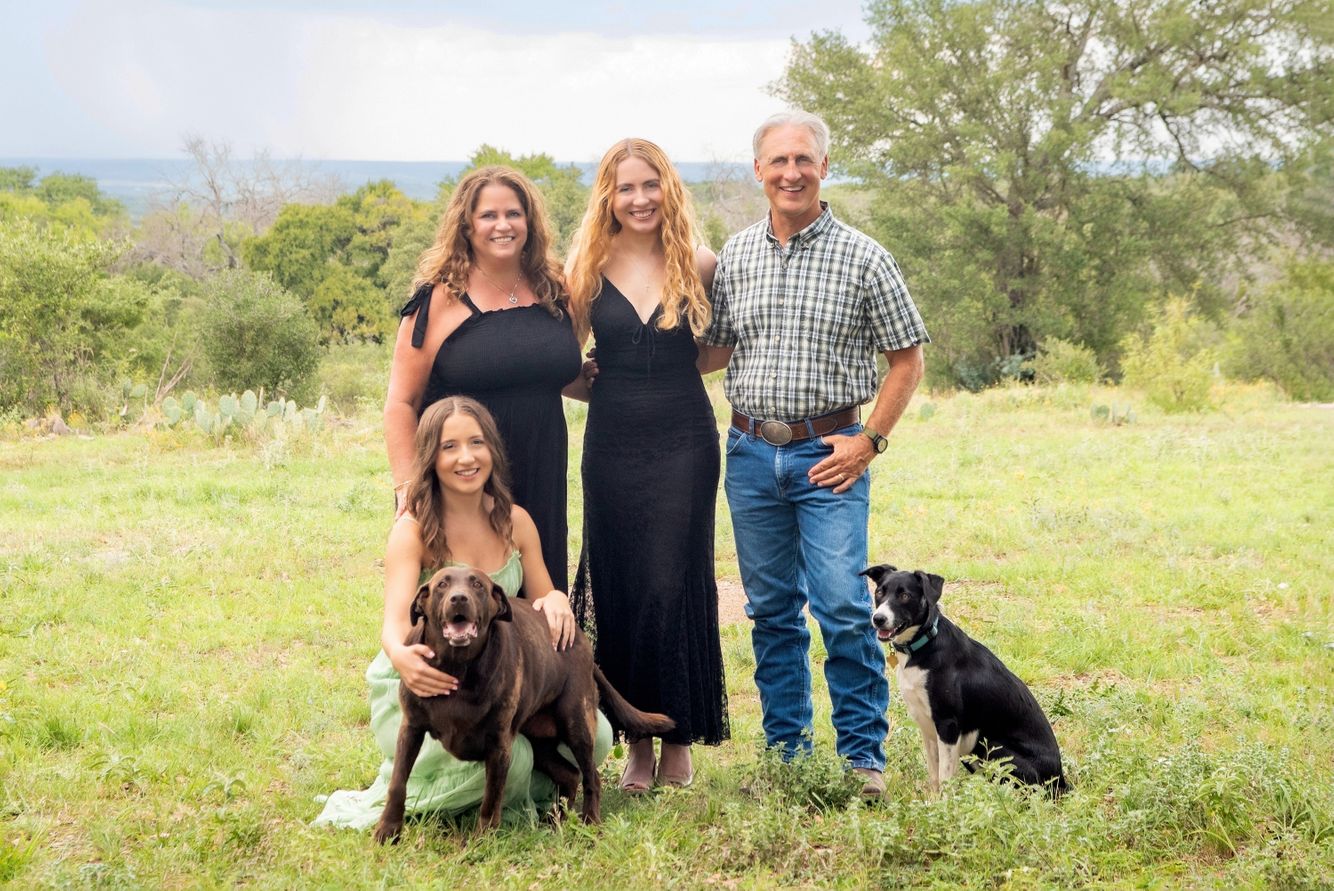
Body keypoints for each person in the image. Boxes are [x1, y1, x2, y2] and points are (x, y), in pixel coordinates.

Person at [697, 111, 929, 797]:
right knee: (770, 611)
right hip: (746, 452)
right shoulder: (736, 255)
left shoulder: (865, 257)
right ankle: (787, 755)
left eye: (804, 159)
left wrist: (870, 441)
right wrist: (628, 362)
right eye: (778, 162)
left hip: (829, 454)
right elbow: (715, 349)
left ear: (825, 167)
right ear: (759, 172)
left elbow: (907, 359)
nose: (791, 172)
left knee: (842, 607)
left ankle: (864, 761)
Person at [315, 396, 613, 830]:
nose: (466, 457)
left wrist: (557, 600)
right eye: (449, 446)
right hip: (426, 682)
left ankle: (520, 776)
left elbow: (544, 596)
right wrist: (403, 661)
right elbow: (396, 626)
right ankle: (437, 790)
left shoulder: (517, 523)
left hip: (494, 683)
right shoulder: (412, 529)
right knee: (517, 761)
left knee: (598, 738)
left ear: (493, 449)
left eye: (476, 442)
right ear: (430, 458)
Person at [564, 138, 729, 792]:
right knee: (623, 584)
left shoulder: (701, 261)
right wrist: (595, 380)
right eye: (625, 187)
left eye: (649, 185)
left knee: (672, 582)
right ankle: (636, 739)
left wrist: (661, 374)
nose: (638, 199)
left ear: (668, 189)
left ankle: (680, 735)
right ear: (609, 194)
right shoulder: (586, 264)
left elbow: (716, 353)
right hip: (611, 444)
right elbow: (561, 364)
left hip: (684, 440)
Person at [384, 166, 582, 592]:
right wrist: (407, 491)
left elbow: (547, 369)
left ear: (530, 222)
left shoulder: (554, 288)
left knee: (538, 602)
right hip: (463, 473)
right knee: (465, 607)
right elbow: (401, 402)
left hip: (541, 462)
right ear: (466, 224)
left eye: (514, 213)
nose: (503, 225)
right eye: (489, 215)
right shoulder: (438, 299)